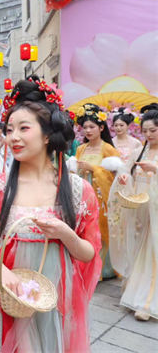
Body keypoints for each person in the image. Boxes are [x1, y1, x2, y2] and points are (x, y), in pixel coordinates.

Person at [0, 78, 102, 352]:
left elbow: (88, 253)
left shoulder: (78, 190)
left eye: (23, 128)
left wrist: (65, 234)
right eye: (9, 130)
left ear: (47, 135)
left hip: (55, 293)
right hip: (8, 293)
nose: (13, 137)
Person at [108, 103, 158, 321]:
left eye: (153, 131)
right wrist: (125, 177)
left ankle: (147, 302)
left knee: (153, 251)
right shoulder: (140, 150)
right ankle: (136, 292)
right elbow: (125, 168)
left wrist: (156, 169)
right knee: (139, 249)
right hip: (141, 207)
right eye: (145, 131)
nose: (148, 134)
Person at [70, 103, 122, 279]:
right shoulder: (80, 149)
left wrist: (94, 168)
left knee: (99, 230)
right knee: (83, 228)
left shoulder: (107, 148)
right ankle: (85, 266)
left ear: (101, 127)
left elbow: (116, 173)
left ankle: (101, 269)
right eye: (84, 127)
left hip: (100, 197)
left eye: (92, 127)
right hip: (82, 194)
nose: (88, 130)